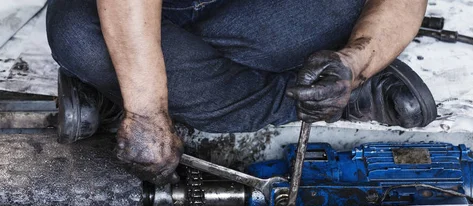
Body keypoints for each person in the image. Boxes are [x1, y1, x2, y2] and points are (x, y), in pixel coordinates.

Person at [47, 0, 436, 185]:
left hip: (247, 15)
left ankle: (118, 86)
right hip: (131, 10)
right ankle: (335, 98)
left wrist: (355, 61)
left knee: (339, 10)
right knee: (78, 36)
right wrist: (146, 111)